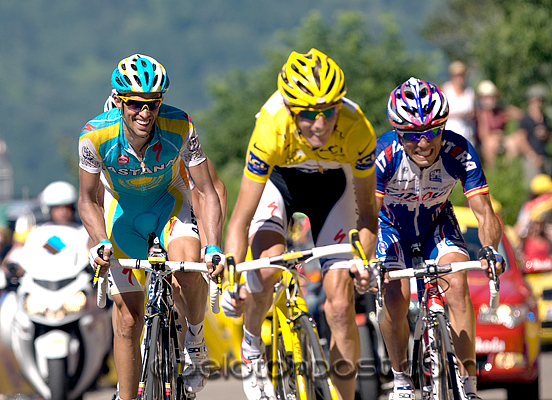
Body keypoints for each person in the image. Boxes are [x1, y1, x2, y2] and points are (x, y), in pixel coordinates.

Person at [222, 48, 378, 400]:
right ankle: (252, 344)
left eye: (327, 112)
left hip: (333, 189)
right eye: (308, 115)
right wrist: (233, 281)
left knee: (340, 306)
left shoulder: (357, 128)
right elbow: (240, 220)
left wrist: (363, 263)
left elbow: (368, 213)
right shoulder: (270, 127)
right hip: (281, 184)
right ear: (292, 110)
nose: (320, 124)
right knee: (266, 270)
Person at [78, 54, 224, 400]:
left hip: (169, 205)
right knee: (128, 320)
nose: (145, 113)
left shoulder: (181, 127)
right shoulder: (94, 137)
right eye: (135, 105)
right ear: (118, 101)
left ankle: (195, 338)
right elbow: (88, 200)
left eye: (153, 104)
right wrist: (99, 241)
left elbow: (206, 189)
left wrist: (214, 245)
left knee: (188, 267)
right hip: (124, 216)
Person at [376, 77, 505, 400]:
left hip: (437, 224)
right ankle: (402, 378)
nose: (423, 143)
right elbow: (365, 215)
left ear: (444, 128)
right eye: (413, 136)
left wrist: (490, 250)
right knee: (395, 297)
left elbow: (485, 212)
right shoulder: (384, 154)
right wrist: (363, 261)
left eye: (433, 132)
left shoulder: (458, 150)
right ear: (398, 134)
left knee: (458, 286)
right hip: (390, 228)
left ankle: (468, 384)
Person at [511, 85, 552, 188]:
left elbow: (549, 139)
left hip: (544, 156)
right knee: (534, 188)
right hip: (531, 158)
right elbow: (521, 140)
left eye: (541, 100)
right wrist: (533, 157)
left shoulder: (544, 119)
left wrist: (546, 135)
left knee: (548, 189)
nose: (540, 103)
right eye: (537, 100)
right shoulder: (525, 119)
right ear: (531, 101)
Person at [442, 61, 477, 145]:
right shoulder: (446, 90)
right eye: (457, 76)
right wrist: (457, 115)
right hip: (449, 134)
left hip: (467, 133)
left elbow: (475, 112)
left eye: (462, 75)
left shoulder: (470, 92)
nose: (460, 78)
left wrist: (471, 115)